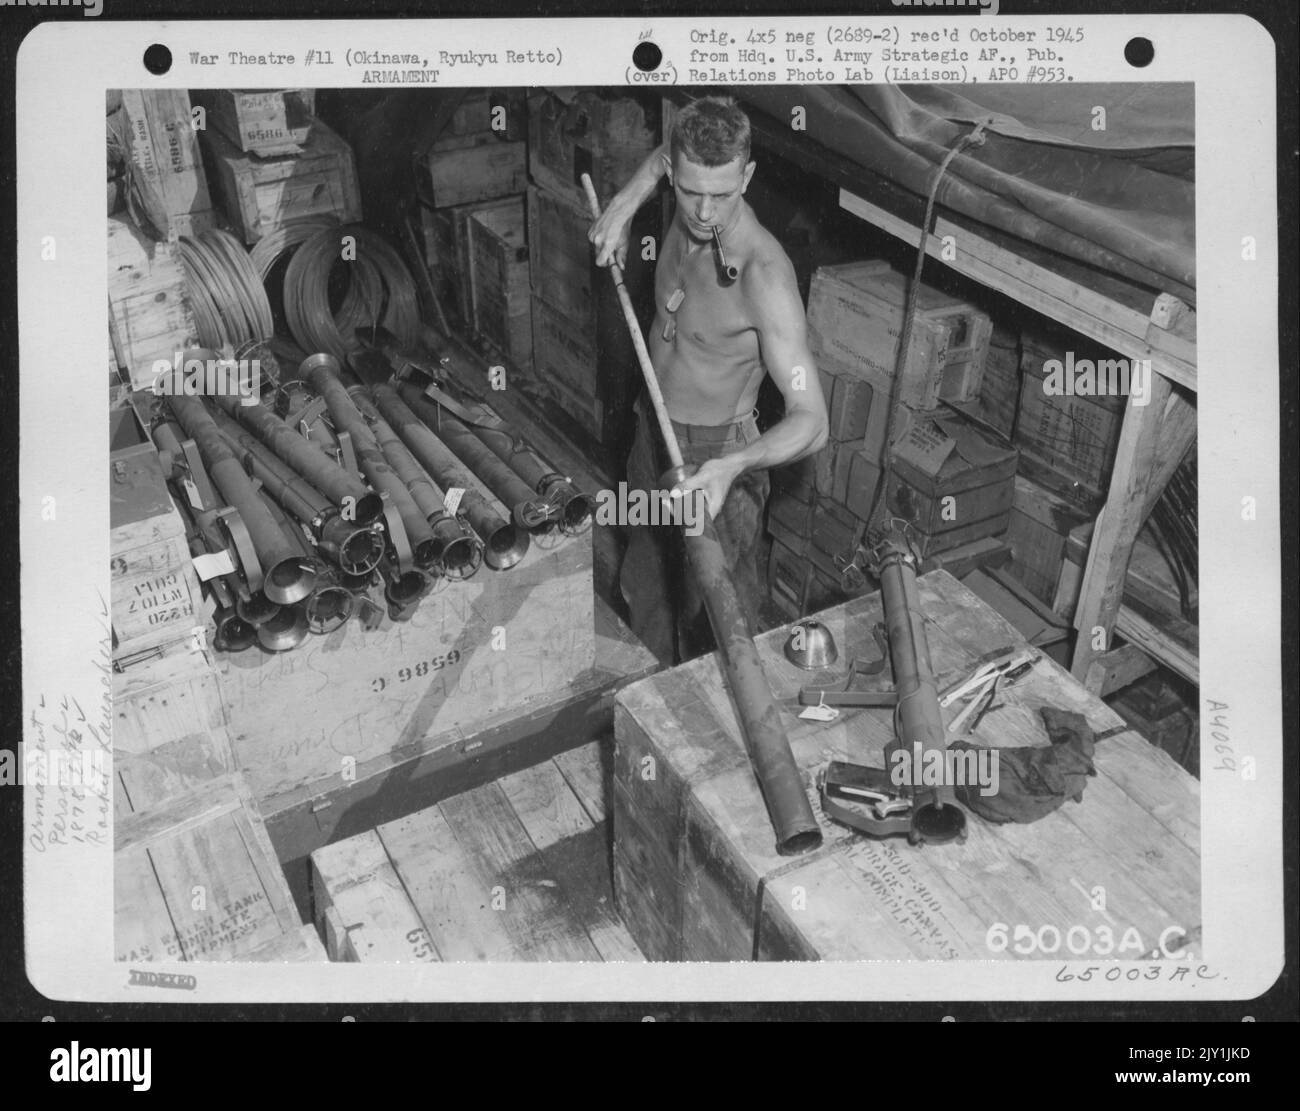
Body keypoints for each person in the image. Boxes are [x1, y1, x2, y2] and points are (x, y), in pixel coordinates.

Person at [589, 96, 829, 667]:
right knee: (646, 580)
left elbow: (813, 420)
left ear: (746, 177)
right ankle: (649, 696)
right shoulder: (689, 190)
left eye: (721, 195)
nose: (702, 211)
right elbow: (662, 159)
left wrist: (732, 467)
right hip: (654, 432)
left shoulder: (763, 275)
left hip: (718, 455)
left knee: (721, 621)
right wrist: (625, 203)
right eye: (691, 191)